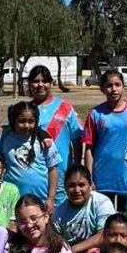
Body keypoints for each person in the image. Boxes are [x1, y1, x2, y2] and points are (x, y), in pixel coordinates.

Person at [83, 69, 127, 211]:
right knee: (103, 219)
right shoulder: (95, 114)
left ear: (123, 87)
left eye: (117, 84)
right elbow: (89, 147)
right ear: (102, 89)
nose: (113, 89)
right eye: (109, 85)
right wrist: (89, 176)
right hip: (101, 178)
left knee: (125, 220)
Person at [28, 65, 83, 206]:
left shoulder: (65, 107)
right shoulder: (25, 110)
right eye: (35, 81)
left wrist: (76, 166)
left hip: (62, 173)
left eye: (44, 81)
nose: (40, 85)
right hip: (35, 175)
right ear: (29, 84)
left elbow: (77, 139)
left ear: (51, 83)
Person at [0, 102, 61, 212]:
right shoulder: (4, 137)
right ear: (13, 121)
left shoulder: (45, 142)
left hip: (40, 199)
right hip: (12, 200)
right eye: (22, 121)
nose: (26, 125)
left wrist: (51, 199)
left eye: (31, 121)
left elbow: (53, 170)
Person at [51, 165, 116, 253]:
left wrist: (75, 249)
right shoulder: (58, 213)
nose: (77, 190)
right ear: (65, 188)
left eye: (81, 185)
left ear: (90, 186)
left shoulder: (102, 203)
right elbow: (56, 241)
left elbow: (104, 235)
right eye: (71, 186)